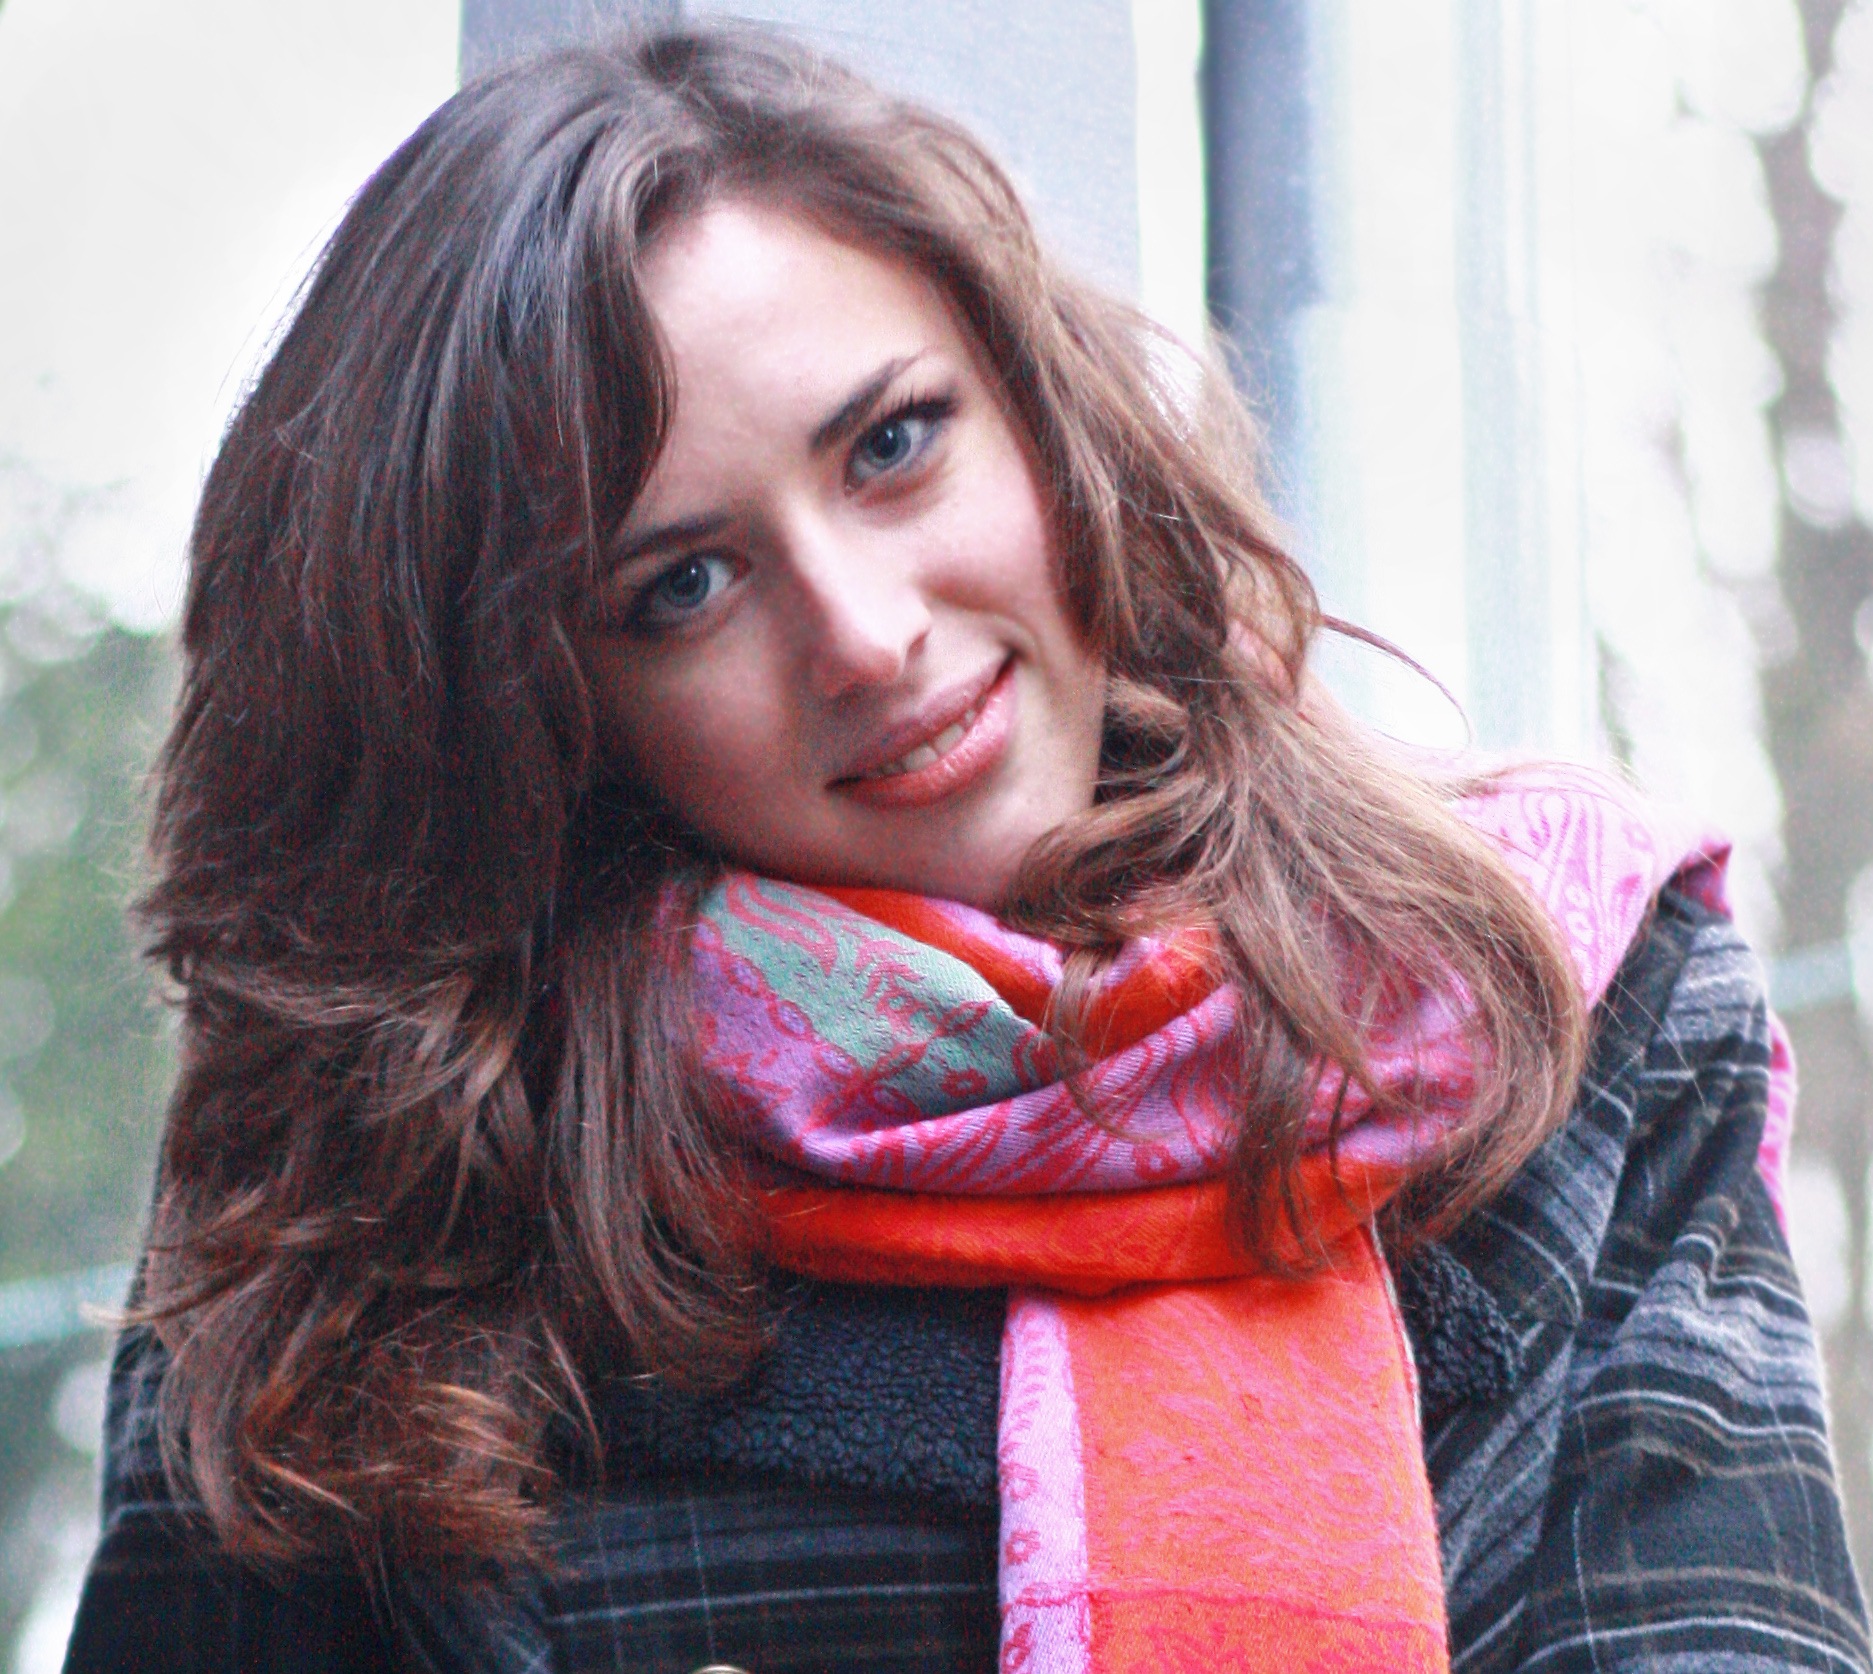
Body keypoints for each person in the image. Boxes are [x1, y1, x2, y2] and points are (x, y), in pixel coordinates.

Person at [64, 25, 1868, 1674]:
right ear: (552, 706)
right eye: (682, 585)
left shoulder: (1553, 995)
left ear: (1040, 409)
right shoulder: (388, 1171)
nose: (862, 635)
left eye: (894, 446)